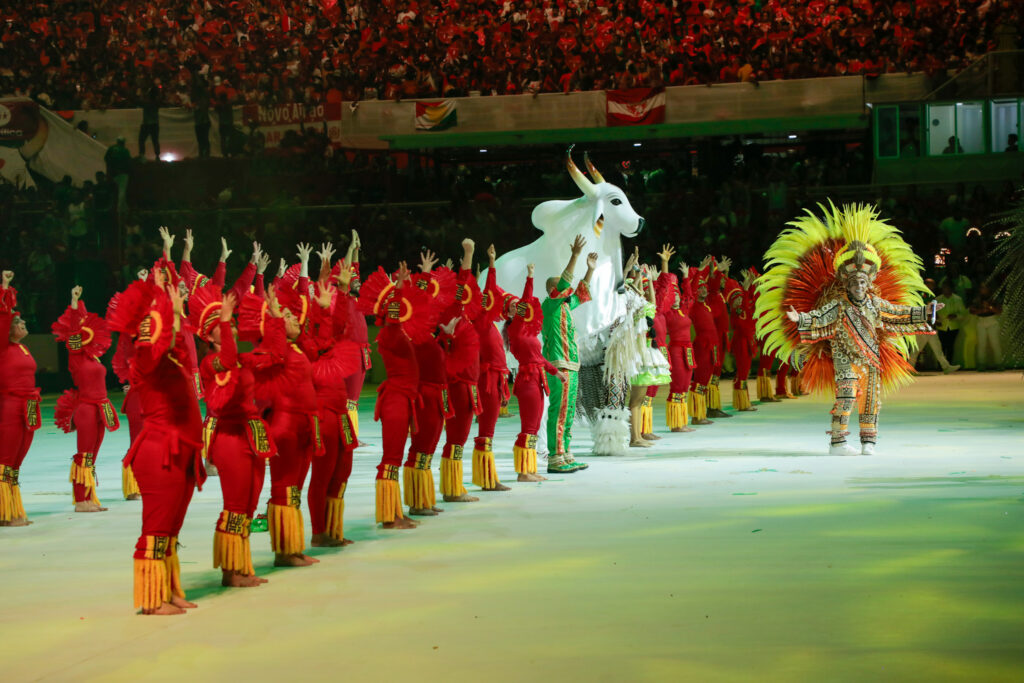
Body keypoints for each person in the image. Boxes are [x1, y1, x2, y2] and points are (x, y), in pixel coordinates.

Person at [759, 203, 942, 456]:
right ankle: (838, 443)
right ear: (847, 282)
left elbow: (898, 313)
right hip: (845, 359)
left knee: (871, 401)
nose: (858, 284)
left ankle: (869, 442)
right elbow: (818, 317)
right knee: (845, 398)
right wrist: (799, 318)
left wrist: (925, 310)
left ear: (868, 283)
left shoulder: (876, 304)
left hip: (871, 360)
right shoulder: (838, 305)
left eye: (862, 281)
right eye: (854, 281)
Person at [109, 263, 203, 615]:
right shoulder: (144, 359)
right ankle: (151, 599)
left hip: (182, 450)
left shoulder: (173, 360)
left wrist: (174, 309)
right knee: (157, 526)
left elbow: (177, 343)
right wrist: (165, 307)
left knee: (172, 528)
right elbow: (155, 346)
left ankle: (169, 588)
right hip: (160, 451)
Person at [194, 285, 275, 586]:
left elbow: (274, 352)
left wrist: (274, 316)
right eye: (221, 326)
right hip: (229, 438)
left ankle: (241, 565)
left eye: (230, 322)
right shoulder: (209, 364)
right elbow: (226, 358)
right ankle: (230, 570)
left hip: (252, 434)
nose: (231, 327)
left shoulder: (243, 359)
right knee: (235, 505)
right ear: (208, 336)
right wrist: (226, 320)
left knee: (250, 504)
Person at [358, 262, 432, 528]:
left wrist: (419, 280)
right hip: (396, 401)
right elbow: (396, 314)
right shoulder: (391, 334)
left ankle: (394, 511)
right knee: (391, 458)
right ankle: (389, 517)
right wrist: (399, 289)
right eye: (395, 309)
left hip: (404, 400)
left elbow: (418, 304)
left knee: (396, 457)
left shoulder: (401, 334)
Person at [52, 286, 119, 512]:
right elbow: (74, 330)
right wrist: (74, 302)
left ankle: (90, 497)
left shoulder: (95, 359)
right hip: (86, 409)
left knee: (93, 455)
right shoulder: (76, 358)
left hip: (101, 407)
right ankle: (81, 500)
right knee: (84, 454)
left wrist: (83, 310)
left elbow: (85, 322)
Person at [404, 251, 456, 516]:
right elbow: (420, 300)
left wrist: (444, 337)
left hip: (438, 396)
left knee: (429, 446)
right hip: (425, 395)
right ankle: (416, 500)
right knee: (421, 446)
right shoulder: (415, 336)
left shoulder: (430, 337)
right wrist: (424, 276)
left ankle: (423, 497)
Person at [541, 234, 597, 473]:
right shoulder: (550, 304)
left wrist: (590, 270)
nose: (568, 291)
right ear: (554, 290)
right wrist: (574, 256)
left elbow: (582, 294)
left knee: (569, 411)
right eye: (563, 288)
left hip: (571, 365)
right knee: (559, 409)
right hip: (558, 365)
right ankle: (555, 457)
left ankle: (566, 453)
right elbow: (567, 284)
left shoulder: (565, 305)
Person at [508, 265, 562, 481]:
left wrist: (556, 372)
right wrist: (530, 278)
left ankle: (529, 469)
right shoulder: (516, 328)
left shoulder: (528, 331)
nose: (520, 307)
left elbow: (539, 359)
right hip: (528, 380)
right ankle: (523, 472)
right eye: (515, 307)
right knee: (529, 426)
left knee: (534, 425)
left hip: (537, 379)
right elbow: (525, 301)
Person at [472, 244, 514, 492]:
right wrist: (492, 264)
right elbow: (489, 290)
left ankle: (486, 477)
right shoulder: (482, 321)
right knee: (486, 430)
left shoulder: (492, 325)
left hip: (494, 381)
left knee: (488, 431)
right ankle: (488, 479)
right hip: (487, 381)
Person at [0, 271, 39, 527]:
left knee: (18, 460)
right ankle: (4, 513)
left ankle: (13, 508)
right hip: (9, 406)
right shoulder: (2, 346)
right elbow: (3, 319)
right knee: (6, 458)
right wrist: (5, 286)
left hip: (29, 406)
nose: (22, 325)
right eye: (18, 323)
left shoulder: (23, 347)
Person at [659, 251, 697, 432]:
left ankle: (682, 422)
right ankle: (676, 424)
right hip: (675, 350)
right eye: (672, 295)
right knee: (677, 384)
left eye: (677, 295)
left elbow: (689, 296)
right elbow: (662, 292)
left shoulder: (683, 310)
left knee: (685, 385)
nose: (676, 297)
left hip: (688, 351)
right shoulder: (667, 313)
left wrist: (686, 277)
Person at [725, 270, 758, 411]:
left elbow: (750, 302)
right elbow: (745, 304)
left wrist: (750, 285)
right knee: (742, 373)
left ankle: (743, 401)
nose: (739, 300)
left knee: (745, 372)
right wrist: (744, 290)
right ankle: (742, 403)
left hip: (747, 344)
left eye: (740, 298)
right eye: (736, 299)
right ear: (732, 303)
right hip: (741, 344)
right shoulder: (736, 313)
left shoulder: (745, 311)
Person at [970, 284, 1003, 370]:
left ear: (988, 289)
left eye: (984, 288)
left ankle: (999, 363)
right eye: (981, 288)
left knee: (995, 344)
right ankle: (981, 364)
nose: (982, 289)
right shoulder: (977, 299)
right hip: (981, 321)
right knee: (981, 344)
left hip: (992, 321)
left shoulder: (994, 298)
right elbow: (971, 311)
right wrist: (982, 310)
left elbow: (999, 311)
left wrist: (989, 308)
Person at [935, 281, 966, 362]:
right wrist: (936, 320)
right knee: (941, 346)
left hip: (953, 326)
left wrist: (955, 316)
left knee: (950, 346)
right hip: (941, 325)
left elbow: (963, 314)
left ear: (951, 289)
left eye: (947, 288)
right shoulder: (937, 299)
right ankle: (941, 364)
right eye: (944, 288)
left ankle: (949, 363)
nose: (945, 290)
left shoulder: (958, 299)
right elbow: (933, 313)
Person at [104, 136, 132, 217]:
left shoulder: (111, 149)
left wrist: (109, 172)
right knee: (122, 191)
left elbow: (107, 160)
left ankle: (124, 208)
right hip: (122, 173)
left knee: (114, 192)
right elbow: (128, 161)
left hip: (113, 174)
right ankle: (119, 209)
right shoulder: (124, 150)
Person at [139, 86, 162, 160]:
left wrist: (142, 94)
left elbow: (139, 101)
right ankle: (157, 156)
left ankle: (142, 156)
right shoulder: (156, 102)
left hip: (146, 124)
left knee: (141, 140)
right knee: (155, 141)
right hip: (155, 124)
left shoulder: (146, 102)